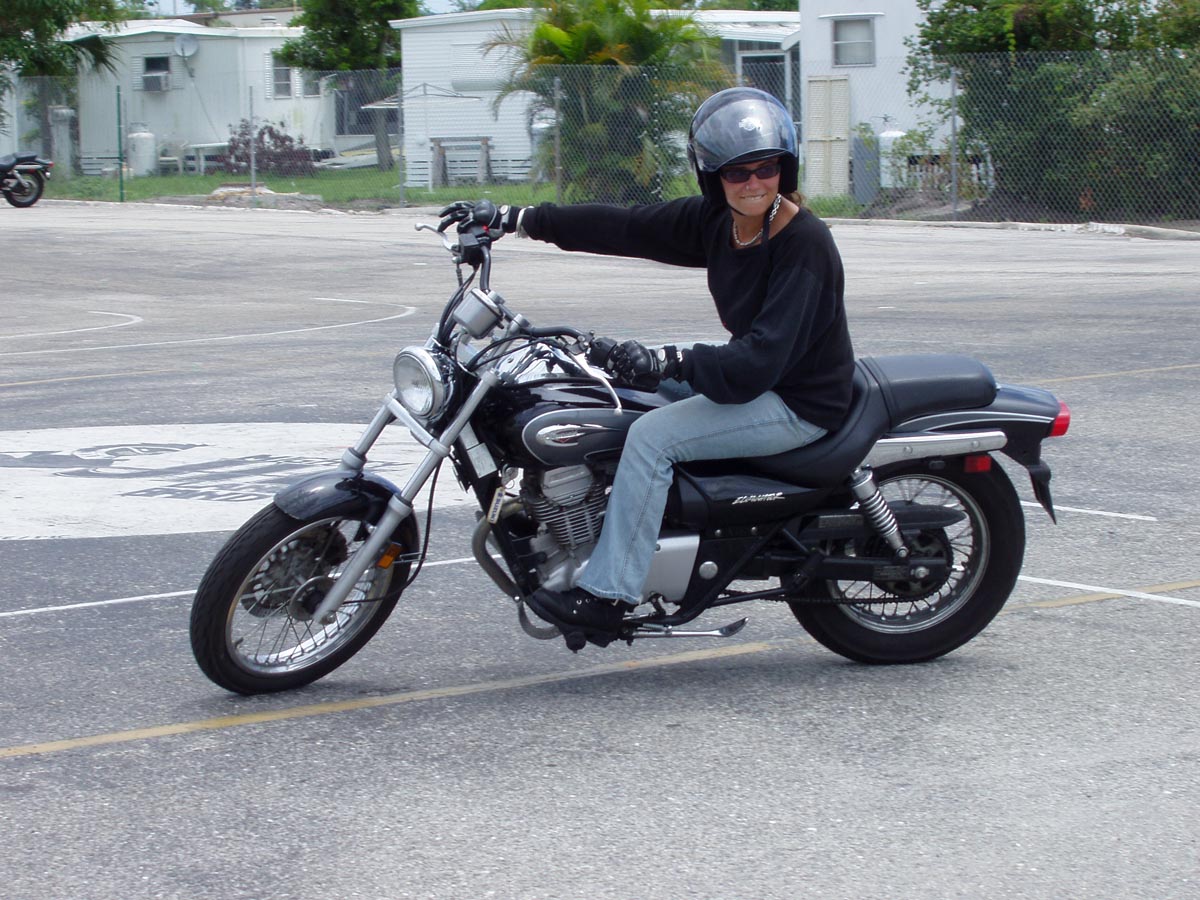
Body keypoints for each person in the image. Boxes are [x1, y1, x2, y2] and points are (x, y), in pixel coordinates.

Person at [441, 87, 856, 645]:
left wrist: (667, 360)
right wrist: (518, 218)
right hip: (759, 382)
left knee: (652, 439)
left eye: (767, 168)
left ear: (786, 166)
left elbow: (759, 360)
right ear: (713, 178)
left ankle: (608, 595)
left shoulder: (805, 242)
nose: (754, 182)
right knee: (615, 395)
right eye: (737, 173)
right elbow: (627, 226)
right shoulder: (721, 221)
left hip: (797, 400)